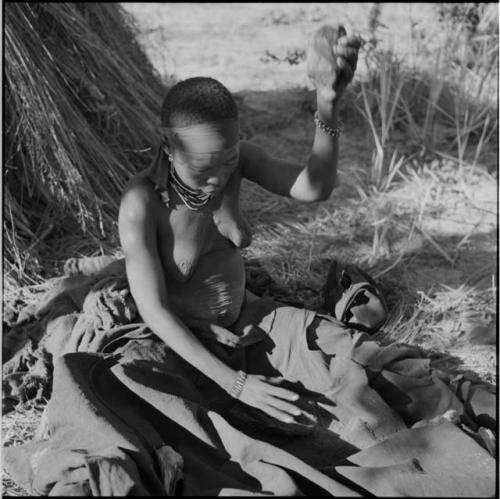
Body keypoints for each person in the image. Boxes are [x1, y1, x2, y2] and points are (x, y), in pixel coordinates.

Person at [117, 24, 495, 441]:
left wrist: (328, 102)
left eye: (227, 161)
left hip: (255, 323)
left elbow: (314, 187)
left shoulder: (237, 163)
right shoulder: (143, 204)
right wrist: (236, 384)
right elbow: (154, 310)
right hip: (189, 348)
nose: (217, 179)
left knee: (368, 363)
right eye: (202, 169)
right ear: (169, 150)